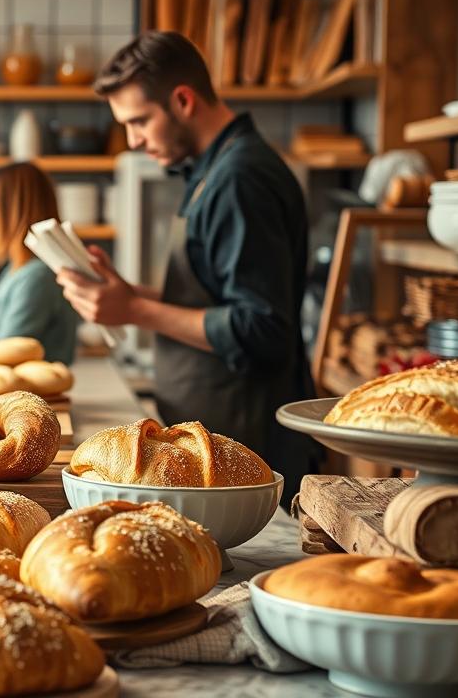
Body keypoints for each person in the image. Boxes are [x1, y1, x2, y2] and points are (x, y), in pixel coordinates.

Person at [56, 31, 319, 502]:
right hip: (215, 436)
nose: (134, 141)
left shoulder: (241, 180)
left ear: (182, 100)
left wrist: (134, 311)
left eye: (139, 121)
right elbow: (215, 297)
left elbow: (260, 329)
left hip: (246, 444)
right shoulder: (212, 170)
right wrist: (130, 295)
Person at [0, 161, 81, 364]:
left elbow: (3, 356)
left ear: (13, 212)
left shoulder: (37, 277)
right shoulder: (18, 269)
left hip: (30, 395)